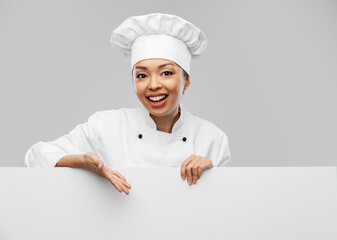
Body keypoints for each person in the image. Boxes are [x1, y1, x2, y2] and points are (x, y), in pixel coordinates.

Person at [24, 12, 231, 195]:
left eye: (166, 73)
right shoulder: (104, 127)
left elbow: (224, 211)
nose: (153, 85)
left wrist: (211, 178)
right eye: (141, 75)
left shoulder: (212, 139)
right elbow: (36, 157)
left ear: (186, 80)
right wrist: (82, 162)